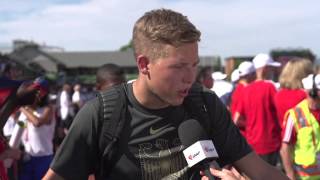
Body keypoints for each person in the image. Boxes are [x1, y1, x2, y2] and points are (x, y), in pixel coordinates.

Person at [43, 9, 288, 180]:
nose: (190, 77)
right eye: (179, 66)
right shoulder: (101, 115)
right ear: (144, 64)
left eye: (194, 65)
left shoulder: (205, 105)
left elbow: (263, 172)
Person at [234, 53, 282, 166]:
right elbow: (281, 113)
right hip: (270, 143)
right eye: (271, 68)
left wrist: (252, 124)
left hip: (251, 144)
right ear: (265, 69)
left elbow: (236, 119)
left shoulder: (246, 90)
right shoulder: (271, 87)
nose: (273, 71)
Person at [280, 73, 320, 179]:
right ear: (312, 92)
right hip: (304, 177)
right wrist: (290, 175)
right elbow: (285, 149)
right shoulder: (295, 115)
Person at [18, 80, 55, 180]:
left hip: (44, 157)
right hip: (27, 157)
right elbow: (20, 127)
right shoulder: (27, 110)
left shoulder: (48, 108)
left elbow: (37, 123)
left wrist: (21, 108)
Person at [274, 58, 313, 132]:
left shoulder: (278, 94)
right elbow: (303, 123)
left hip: (285, 135)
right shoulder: (304, 95)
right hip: (305, 137)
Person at [230, 61, 256, 136]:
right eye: (254, 73)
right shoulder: (245, 90)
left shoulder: (238, 88)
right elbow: (237, 119)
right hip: (243, 135)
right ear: (249, 75)